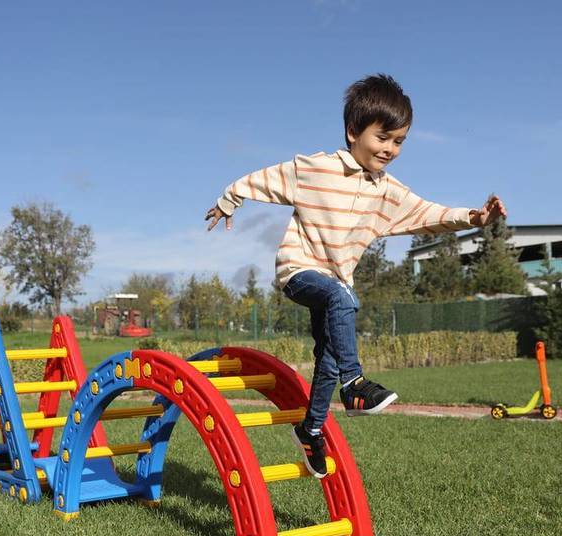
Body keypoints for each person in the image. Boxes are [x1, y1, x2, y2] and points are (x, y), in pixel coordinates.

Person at [205, 74, 506, 478]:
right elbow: (262, 179)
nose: (390, 149)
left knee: (327, 355)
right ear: (353, 131)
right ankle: (355, 385)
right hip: (300, 273)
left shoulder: (389, 192)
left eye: (399, 141)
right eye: (383, 138)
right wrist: (229, 201)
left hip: (337, 286)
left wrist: (475, 217)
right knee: (341, 299)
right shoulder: (315, 170)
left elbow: (429, 214)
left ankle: (310, 429)